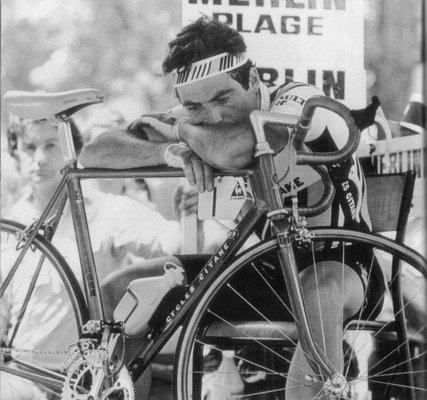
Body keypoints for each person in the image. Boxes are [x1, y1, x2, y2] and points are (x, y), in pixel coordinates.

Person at [80, 17, 385, 399]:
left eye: (223, 98)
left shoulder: (300, 100)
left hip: (343, 267)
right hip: (266, 271)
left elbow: (240, 148)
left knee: (315, 289)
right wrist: (170, 153)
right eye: (196, 106)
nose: (215, 116)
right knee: (121, 289)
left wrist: (182, 130)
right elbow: (94, 151)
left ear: (253, 80)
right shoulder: (196, 122)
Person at [2, 118, 181, 400]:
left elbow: (174, 242)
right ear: (16, 154)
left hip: (91, 380)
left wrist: (190, 210)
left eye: (50, 145)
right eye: (29, 147)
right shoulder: (9, 224)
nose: (39, 158)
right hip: (25, 378)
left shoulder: (109, 211)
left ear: (73, 150)